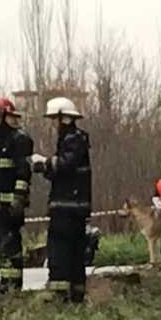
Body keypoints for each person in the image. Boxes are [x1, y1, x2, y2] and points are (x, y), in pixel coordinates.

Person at [31, 97, 92, 303]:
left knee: (60, 251)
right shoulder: (71, 139)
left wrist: (45, 161)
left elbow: (65, 164)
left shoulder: (74, 139)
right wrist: (45, 168)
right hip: (74, 208)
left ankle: (60, 295)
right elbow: (62, 172)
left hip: (67, 209)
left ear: (63, 118)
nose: (53, 125)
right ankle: (75, 296)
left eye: (54, 120)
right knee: (74, 253)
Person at [0, 96, 34, 290]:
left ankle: (12, 285)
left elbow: (24, 172)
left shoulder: (18, 139)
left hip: (10, 206)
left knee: (9, 244)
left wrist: (18, 199)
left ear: (5, 116)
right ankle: (4, 283)